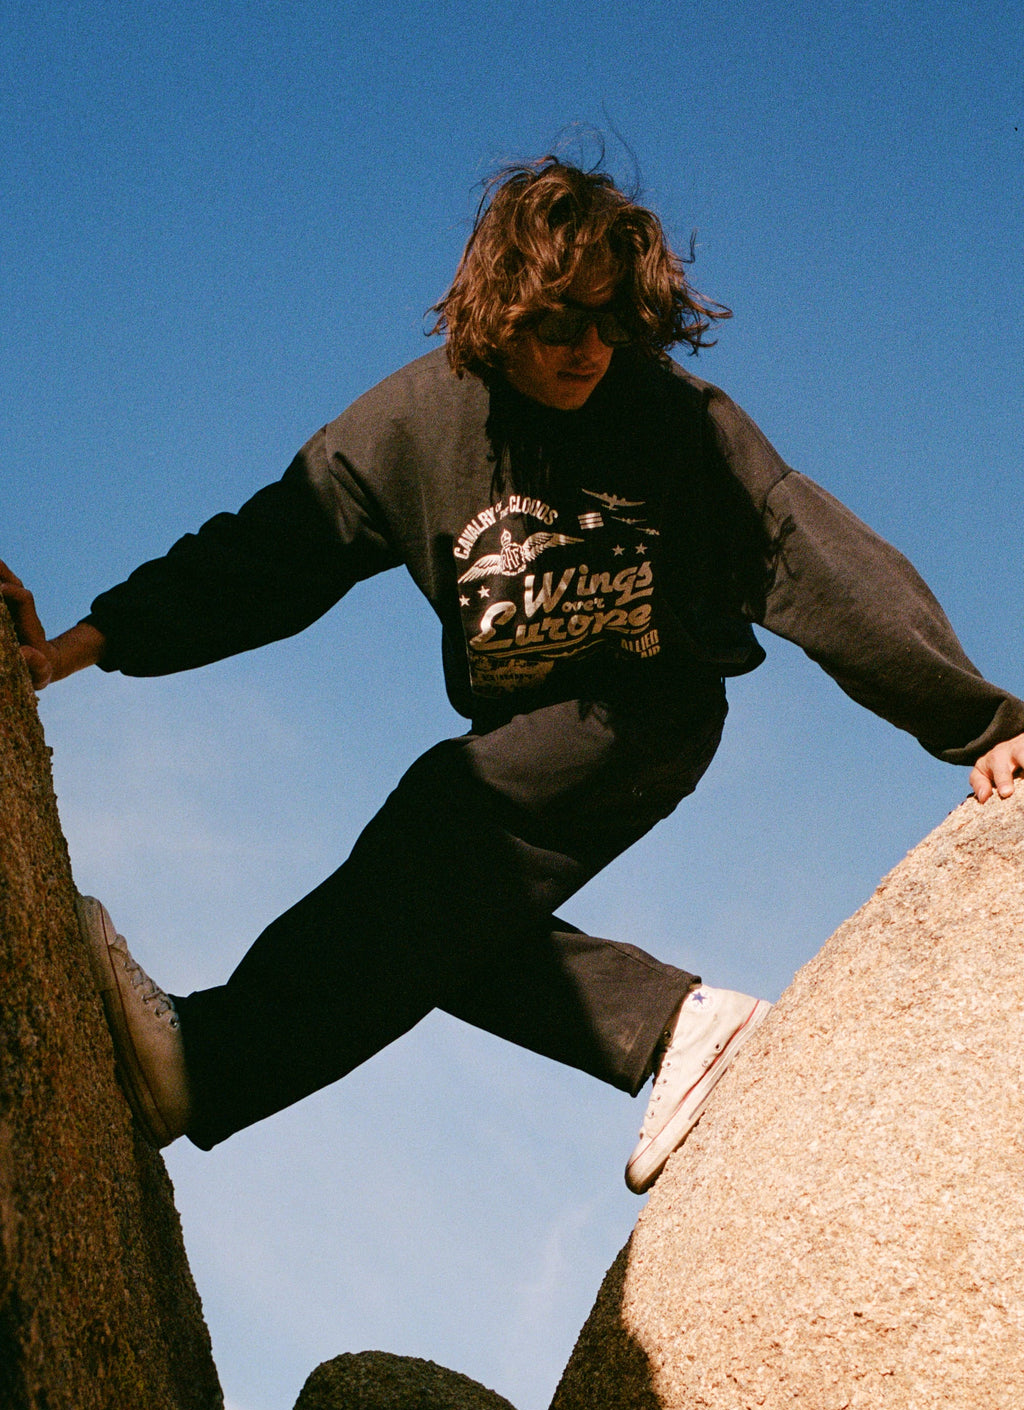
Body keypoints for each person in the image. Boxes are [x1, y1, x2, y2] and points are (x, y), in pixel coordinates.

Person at [4, 157, 1024, 1195]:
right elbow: (261, 559)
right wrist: (66, 654)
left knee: (443, 821)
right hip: (525, 718)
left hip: (650, 708)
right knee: (430, 930)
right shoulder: (410, 427)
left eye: (611, 322)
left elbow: (813, 557)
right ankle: (679, 1025)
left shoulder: (676, 422)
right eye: (559, 324)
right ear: (499, 313)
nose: (589, 350)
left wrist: (980, 723)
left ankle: (205, 1066)